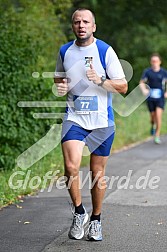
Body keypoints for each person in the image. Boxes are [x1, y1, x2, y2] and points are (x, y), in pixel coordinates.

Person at [54, 8, 127, 241]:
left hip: (101, 121)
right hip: (74, 117)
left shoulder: (105, 50)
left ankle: (96, 219)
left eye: (86, 21)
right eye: (77, 22)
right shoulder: (65, 50)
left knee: (97, 173)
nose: (81, 25)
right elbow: (59, 77)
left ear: (93, 26)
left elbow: (123, 87)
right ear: (73, 26)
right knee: (71, 167)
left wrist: (101, 80)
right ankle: (79, 212)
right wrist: (61, 87)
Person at [140, 53, 167, 144]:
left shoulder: (163, 72)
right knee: (153, 117)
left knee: (158, 116)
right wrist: (144, 90)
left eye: (156, 61)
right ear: (151, 62)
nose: (154, 63)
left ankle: (157, 135)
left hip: (160, 98)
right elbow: (142, 82)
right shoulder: (147, 72)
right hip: (150, 98)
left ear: (159, 62)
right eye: (153, 61)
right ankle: (153, 125)